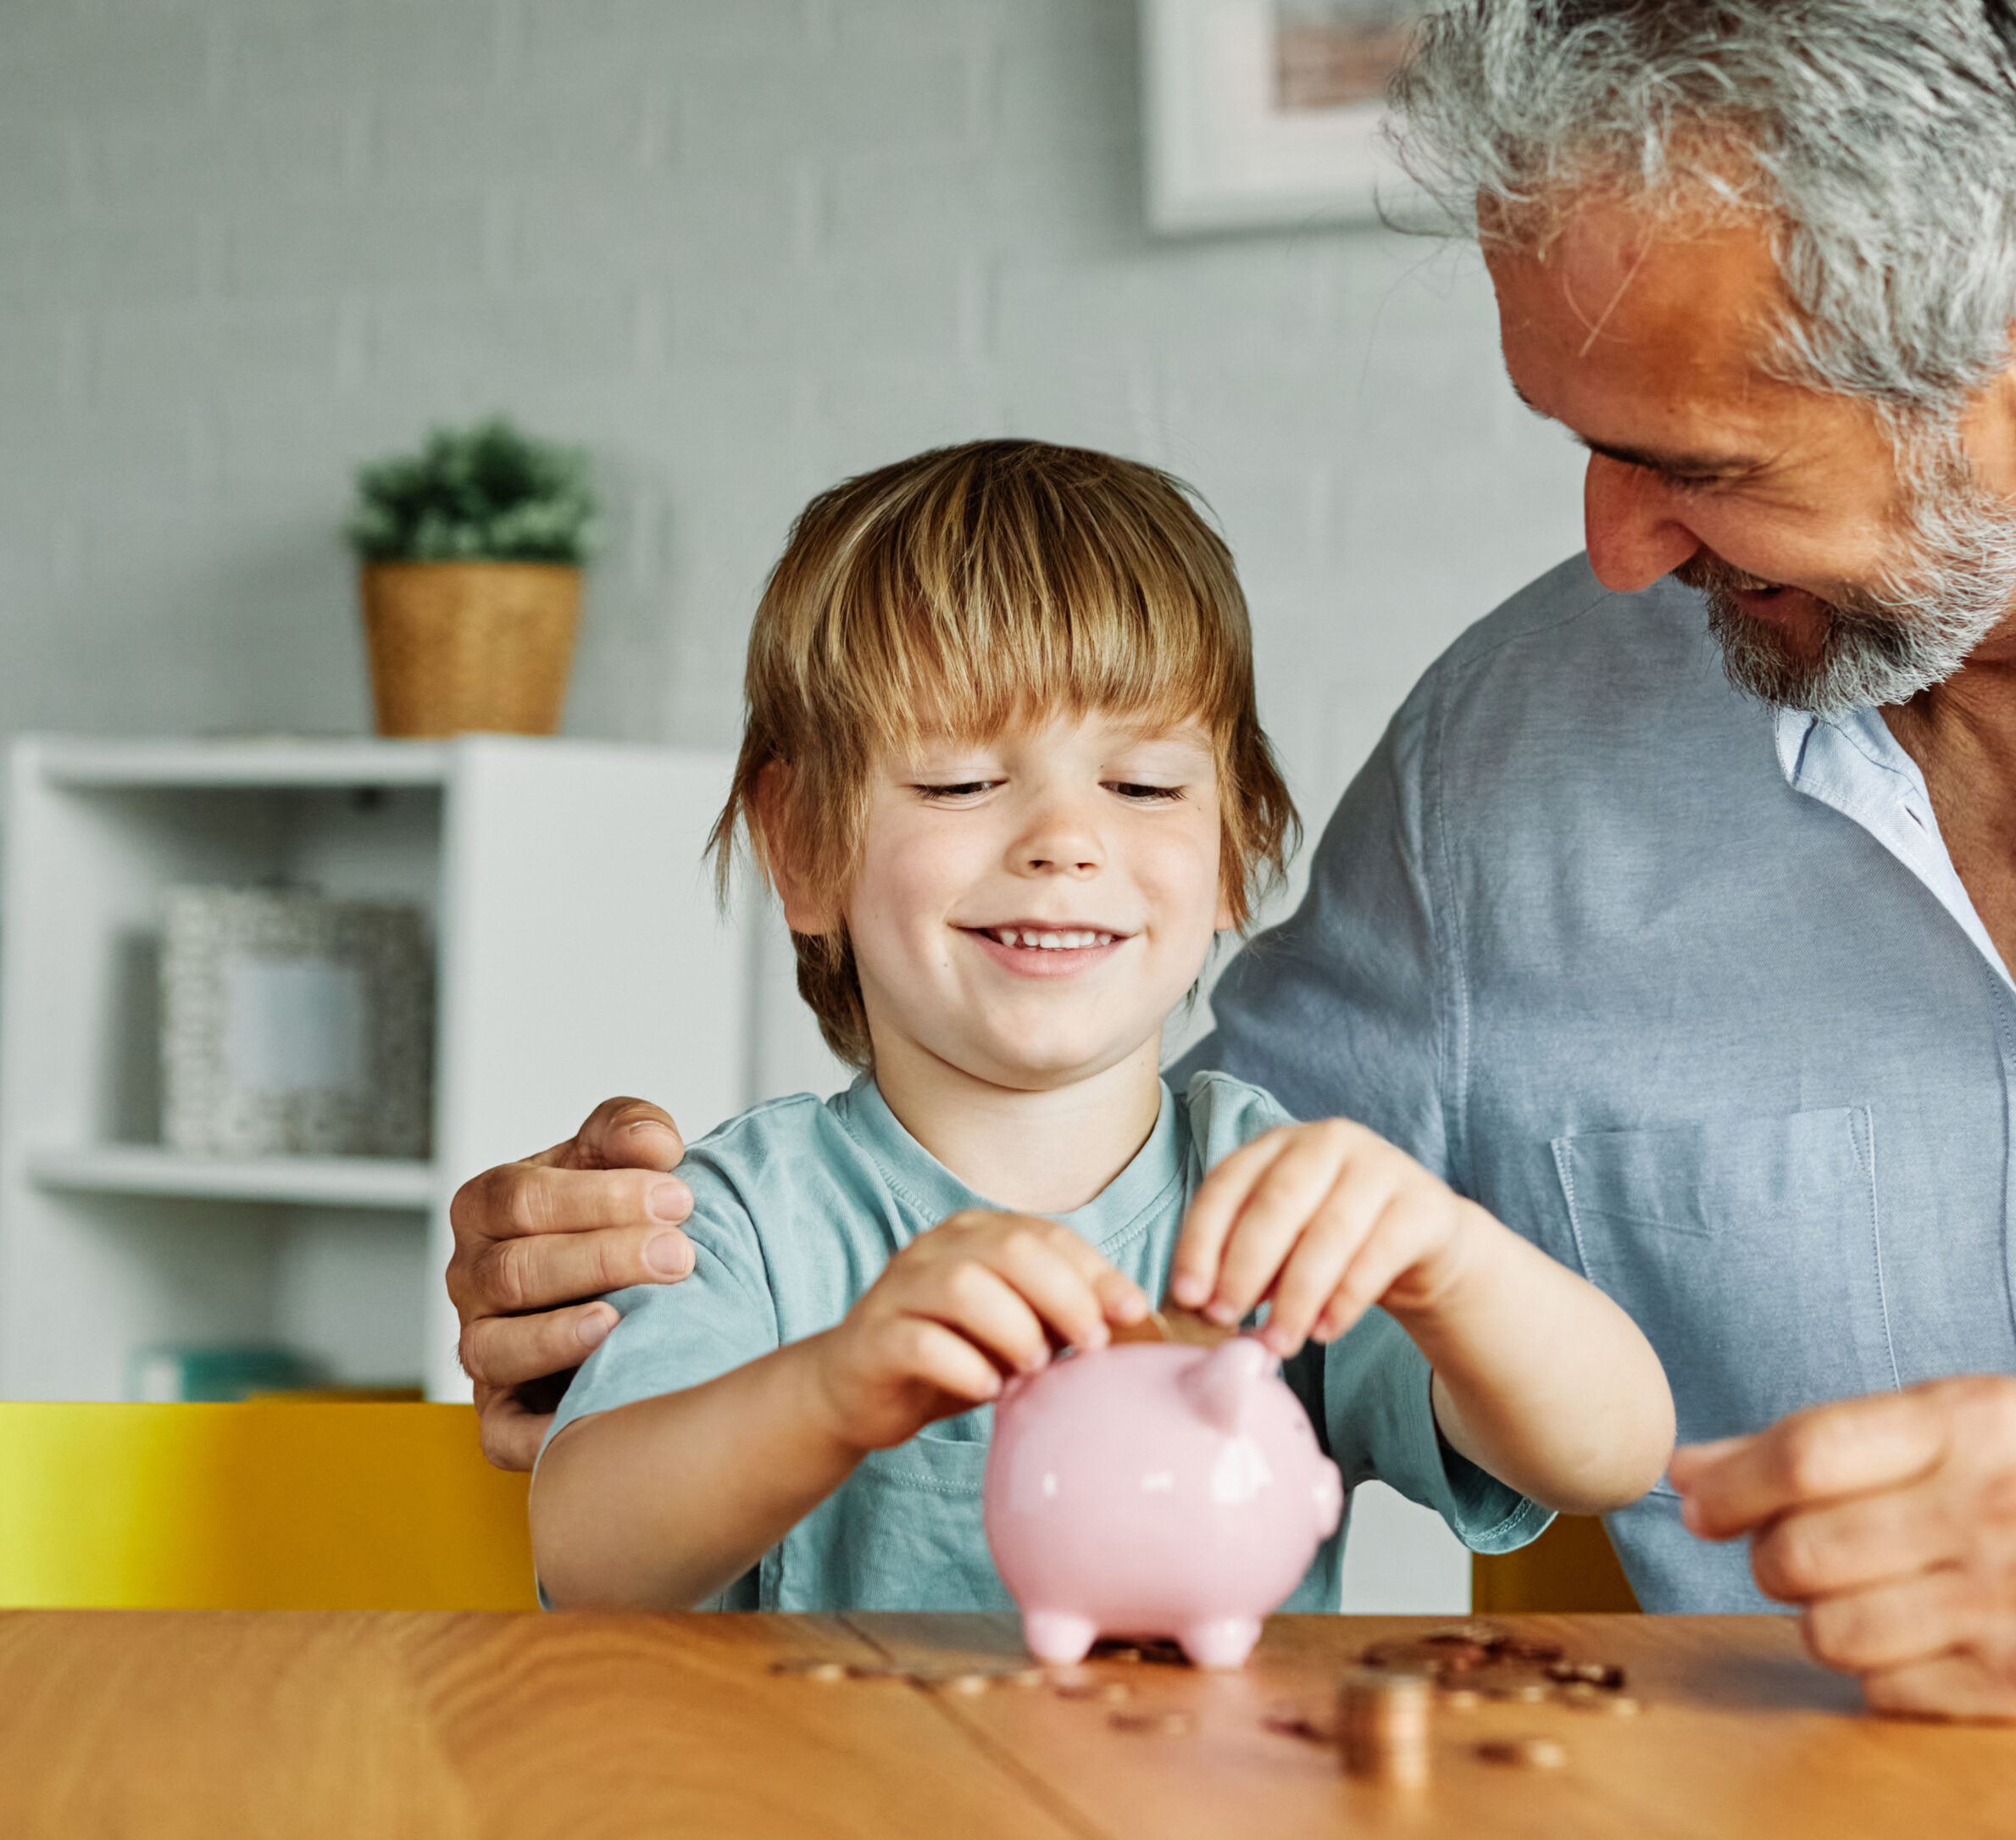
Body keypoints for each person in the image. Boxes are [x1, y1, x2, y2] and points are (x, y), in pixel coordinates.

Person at [449, 2, 2016, 1717]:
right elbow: (1130, 1158)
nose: (1610, 555)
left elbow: (1588, 1421)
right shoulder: (1506, 765)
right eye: (1585, 446)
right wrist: (612, 1311)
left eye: (1694, 465)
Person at [525, 438, 1674, 1616]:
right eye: (962, 783)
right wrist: (831, 1390)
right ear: (806, 846)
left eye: (1142, 787)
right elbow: (590, 1556)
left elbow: (1612, 1453)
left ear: (1233, 847)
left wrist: (1450, 1255)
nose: (1065, 840)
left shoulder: (1269, 1207)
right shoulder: (745, 1218)